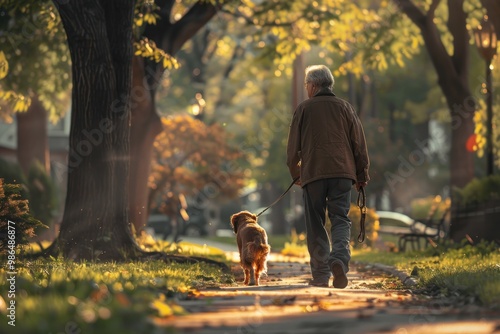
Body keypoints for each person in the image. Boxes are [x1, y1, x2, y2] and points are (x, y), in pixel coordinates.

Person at [286, 65, 370, 288]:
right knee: (340, 219)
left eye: (306, 85)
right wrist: (362, 175)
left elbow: (292, 149)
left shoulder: (303, 109)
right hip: (343, 174)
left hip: (313, 174)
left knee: (315, 223)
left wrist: (296, 173)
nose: (306, 89)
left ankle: (321, 274)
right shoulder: (345, 107)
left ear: (313, 86)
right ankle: (340, 260)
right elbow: (359, 144)